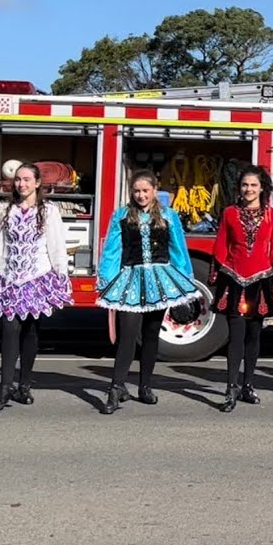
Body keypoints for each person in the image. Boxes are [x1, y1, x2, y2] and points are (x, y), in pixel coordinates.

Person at [96, 169, 200, 414]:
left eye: (145, 191)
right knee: (128, 334)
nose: (141, 195)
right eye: (136, 191)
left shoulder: (168, 215)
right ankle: (116, 386)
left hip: (159, 279)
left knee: (151, 334)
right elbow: (112, 249)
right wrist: (107, 280)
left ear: (154, 190)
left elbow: (177, 248)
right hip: (130, 278)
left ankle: (145, 386)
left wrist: (185, 277)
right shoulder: (121, 215)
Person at [0, 163, 73, 412]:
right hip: (9, 278)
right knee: (9, 329)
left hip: (37, 277)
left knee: (30, 331)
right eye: (18, 180)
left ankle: (24, 385)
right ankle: (4, 388)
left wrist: (61, 274)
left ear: (37, 183)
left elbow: (57, 246)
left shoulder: (49, 211)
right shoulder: (5, 209)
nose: (21, 184)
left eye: (27, 179)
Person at [208, 165, 273, 413]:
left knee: (254, 336)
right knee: (236, 336)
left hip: (261, 280)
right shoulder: (230, 213)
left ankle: (247, 385)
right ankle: (230, 388)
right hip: (234, 278)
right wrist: (216, 273)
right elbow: (221, 245)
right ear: (239, 188)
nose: (249, 189)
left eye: (254, 185)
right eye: (245, 185)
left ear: (262, 188)